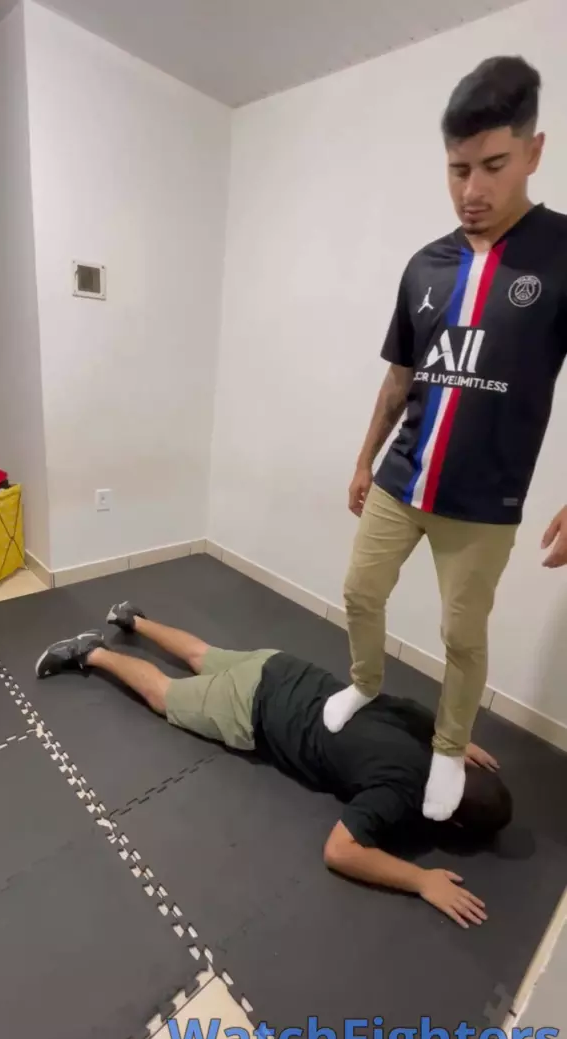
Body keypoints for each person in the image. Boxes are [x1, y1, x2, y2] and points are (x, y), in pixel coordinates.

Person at [323, 56, 567, 822]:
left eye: (493, 165)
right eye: (459, 169)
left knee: (461, 636)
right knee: (360, 591)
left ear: (533, 151)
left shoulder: (561, 253)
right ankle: (365, 683)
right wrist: (363, 461)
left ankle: (451, 747)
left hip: (484, 504)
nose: (473, 191)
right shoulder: (425, 265)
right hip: (403, 478)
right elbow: (399, 378)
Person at [36, 602, 513, 930]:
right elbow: (340, 851)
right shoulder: (402, 795)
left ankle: (133, 619)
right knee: (164, 695)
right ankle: (92, 651)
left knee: (202, 655)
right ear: (452, 820)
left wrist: (456, 740)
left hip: (284, 667)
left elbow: (410, 707)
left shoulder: (429, 741)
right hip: (251, 707)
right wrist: (421, 880)